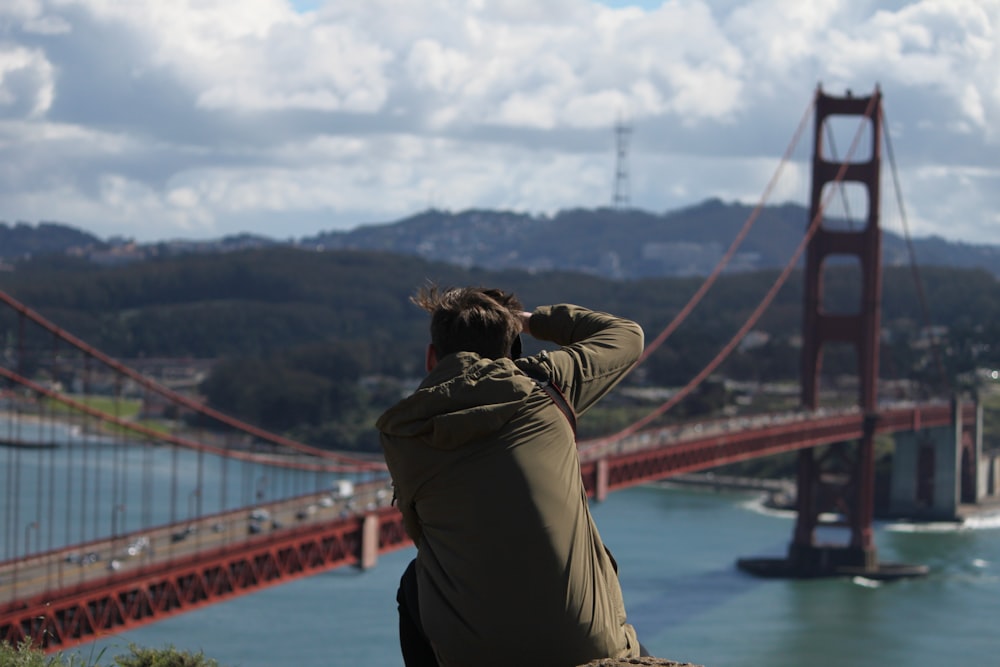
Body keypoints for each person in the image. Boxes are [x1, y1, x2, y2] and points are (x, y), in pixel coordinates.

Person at [376, 285, 645, 667]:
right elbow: (627, 336)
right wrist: (530, 322)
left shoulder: (404, 431)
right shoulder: (550, 389)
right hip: (589, 648)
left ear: (431, 357)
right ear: (512, 349)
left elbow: (424, 535)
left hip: (472, 655)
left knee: (415, 580)